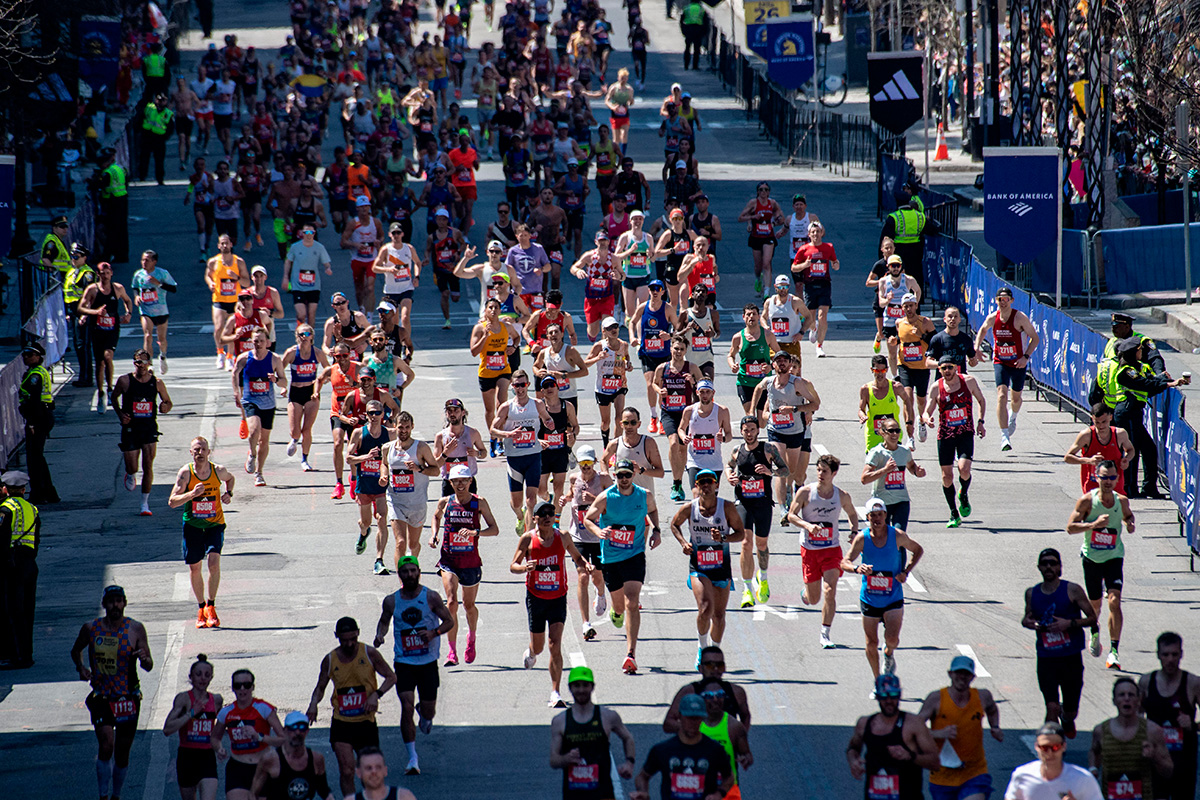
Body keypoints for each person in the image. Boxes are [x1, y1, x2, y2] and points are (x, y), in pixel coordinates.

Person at [373, 556, 455, 776]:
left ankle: (425, 713)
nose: (409, 574)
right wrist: (380, 635)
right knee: (406, 706)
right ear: (399, 575)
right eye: (405, 571)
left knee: (428, 711)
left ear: (419, 572)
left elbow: (449, 622)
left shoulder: (431, 597)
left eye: (413, 570)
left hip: (427, 662)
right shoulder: (392, 601)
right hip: (404, 662)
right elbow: (384, 620)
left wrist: (433, 633)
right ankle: (412, 758)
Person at [70, 585, 153, 800]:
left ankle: (116, 795)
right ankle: (103, 795)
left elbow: (149, 664)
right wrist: (81, 668)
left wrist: (144, 659)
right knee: (106, 744)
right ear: (104, 604)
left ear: (124, 603)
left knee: (122, 752)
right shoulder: (91, 628)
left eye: (119, 601)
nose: (115, 605)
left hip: (128, 697)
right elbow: (75, 650)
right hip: (102, 696)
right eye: (111, 601)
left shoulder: (135, 629)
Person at [583, 458, 662, 675]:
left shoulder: (644, 495)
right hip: (611, 557)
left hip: (634, 554)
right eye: (620, 475)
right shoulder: (606, 497)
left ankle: (631, 653)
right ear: (615, 476)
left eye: (628, 475)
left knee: (632, 601)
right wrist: (598, 532)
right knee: (619, 607)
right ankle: (615, 612)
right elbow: (588, 519)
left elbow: (653, 511)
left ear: (633, 475)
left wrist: (656, 530)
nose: (624, 479)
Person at [305, 617, 397, 797]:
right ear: (336, 636)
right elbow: (320, 687)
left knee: (370, 774)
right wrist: (313, 705)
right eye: (344, 640)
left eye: (352, 639)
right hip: (342, 722)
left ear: (358, 633)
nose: (349, 644)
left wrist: (376, 695)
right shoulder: (330, 660)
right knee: (346, 771)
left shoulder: (369, 654)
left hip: (366, 722)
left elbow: (391, 677)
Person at [511, 500, 589, 707]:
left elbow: (577, 557)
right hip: (536, 598)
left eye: (551, 513)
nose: (547, 517)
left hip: (557, 597)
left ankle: (556, 692)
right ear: (534, 518)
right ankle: (531, 651)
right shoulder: (527, 539)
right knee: (539, 647)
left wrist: (585, 565)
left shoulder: (562, 537)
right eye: (542, 514)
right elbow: (513, 565)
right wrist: (525, 568)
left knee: (555, 644)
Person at [1092, 337, 1189, 498]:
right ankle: (1129, 488)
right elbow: (1145, 385)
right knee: (1132, 450)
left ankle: (1149, 487)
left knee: (1149, 449)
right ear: (1132, 352)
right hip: (1126, 413)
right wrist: (1168, 384)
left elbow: (1151, 381)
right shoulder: (1125, 372)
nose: (1142, 352)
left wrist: (1170, 380)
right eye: (1139, 350)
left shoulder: (1138, 368)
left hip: (1135, 413)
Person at [669, 469, 746, 665]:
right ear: (696, 486)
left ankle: (714, 653)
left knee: (719, 615)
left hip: (721, 566)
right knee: (705, 608)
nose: (705, 485)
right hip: (699, 565)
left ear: (716, 485)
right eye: (701, 482)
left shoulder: (727, 508)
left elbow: (741, 534)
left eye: (709, 482)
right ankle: (702, 649)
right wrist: (683, 543)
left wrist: (724, 538)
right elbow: (674, 525)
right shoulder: (690, 508)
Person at [842, 498, 923, 681]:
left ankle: (888, 654)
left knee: (892, 640)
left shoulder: (897, 535)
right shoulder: (862, 539)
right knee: (871, 643)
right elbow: (844, 562)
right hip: (870, 598)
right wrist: (857, 568)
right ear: (868, 517)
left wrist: (906, 571)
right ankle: (878, 680)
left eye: (880, 515)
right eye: (873, 516)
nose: (877, 519)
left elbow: (917, 550)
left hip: (893, 597)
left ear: (886, 515)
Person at [1066, 459, 1136, 670]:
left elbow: (1128, 515)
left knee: (1114, 601)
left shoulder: (1121, 501)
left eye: (1112, 477)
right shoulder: (1087, 501)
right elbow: (1070, 527)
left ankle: (1114, 651)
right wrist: (1093, 525)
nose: (1108, 482)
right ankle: (1094, 631)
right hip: (1092, 558)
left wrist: (1130, 523)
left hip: (1114, 557)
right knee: (1095, 605)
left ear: (1117, 478)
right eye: (1104, 477)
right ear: (1096, 477)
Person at [1021, 547, 1098, 738]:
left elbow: (1092, 618)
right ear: (1039, 567)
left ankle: (1067, 717)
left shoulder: (1072, 590)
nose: (1049, 567)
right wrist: (1029, 623)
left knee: (1071, 711)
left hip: (1070, 658)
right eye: (1045, 563)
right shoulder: (1032, 593)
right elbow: (1027, 618)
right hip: (1046, 658)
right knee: (1051, 706)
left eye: (1053, 563)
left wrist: (1069, 624)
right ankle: (1054, 745)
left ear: (1060, 567)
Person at [429, 465, 500, 667]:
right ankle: (452, 652)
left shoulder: (479, 503)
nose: (460, 484)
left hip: (470, 562)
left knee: (468, 606)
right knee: (451, 602)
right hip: (449, 560)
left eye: (463, 480)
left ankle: (471, 638)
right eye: (455, 481)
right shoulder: (445, 502)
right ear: (450, 483)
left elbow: (494, 529)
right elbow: (436, 516)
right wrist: (434, 535)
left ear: (470, 481)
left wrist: (475, 534)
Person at [789, 454, 861, 648]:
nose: (820, 474)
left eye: (825, 471)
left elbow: (853, 514)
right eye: (818, 470)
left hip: (831, 550)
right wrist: (807, 526)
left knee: (830, 591)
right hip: (810, 550)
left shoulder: (842, 495)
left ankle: (825, 634)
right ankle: (806, 593)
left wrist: (854, 531)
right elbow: (791, 515)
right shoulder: (805, 493)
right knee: (814, 599)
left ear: (834, 473)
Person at [168, 436, 235, 629]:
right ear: (191, 453)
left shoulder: (218, 471)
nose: (199, 453)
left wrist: (228, 494)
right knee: (195, 568)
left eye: (203, 449)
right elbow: (172, 501)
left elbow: (231, 479)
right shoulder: (186, 473)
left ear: (208, 452)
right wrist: (191, 495)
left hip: (215, 524)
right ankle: (200, 608)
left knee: (214, 563)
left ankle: (211, 606)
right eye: (196, 450)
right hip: (193, 526)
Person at [918, 655, 1003, 800]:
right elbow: (914, 728)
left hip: (974, 772)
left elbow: (992, 709)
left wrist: (995, 726)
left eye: (967, 674)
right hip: (942, 775)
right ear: (950, 674)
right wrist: (938, 733)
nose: (962, 677)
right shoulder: (936, 698)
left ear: (973, 677)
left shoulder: (982, 696)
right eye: (958, 673)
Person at [749, 349, 819, 516]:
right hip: (776, 430)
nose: (781, 363)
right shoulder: (769, 381)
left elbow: (815, 404)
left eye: (785, 361)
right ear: (773, 365)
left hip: (795, 431)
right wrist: (752, 411)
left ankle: (789, 489)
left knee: (791, 469)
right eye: (778, 361)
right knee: (780, 466)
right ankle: (782, 508)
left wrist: (795, 409)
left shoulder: (797, 383)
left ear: (789, 365)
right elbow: (758, 389)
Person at [550, 665, 637, 799]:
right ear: (570, 688)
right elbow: (554, 760)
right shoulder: (560, 721)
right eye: (577, 685)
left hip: (603, 793)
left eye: (585, 685)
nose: (581, 690)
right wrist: (566, 759)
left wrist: (629, 763)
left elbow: (627, 738)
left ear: (592, 687)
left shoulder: (608, 717)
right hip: (573, 795)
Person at [847, 674, 940, 798]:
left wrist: (910, 756)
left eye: (894, 696)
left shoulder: (913, 724)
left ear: (900, 696)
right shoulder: (864, 724)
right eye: (884, 696)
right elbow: (853, 748)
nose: (889, 701)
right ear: (878, 697)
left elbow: (935, 762)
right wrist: (853, 761)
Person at [630, 694, 734, 800]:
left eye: (697, 718)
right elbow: (642, 776)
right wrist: (643, 792)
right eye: (689, 718)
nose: (693, 723)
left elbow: (729, 777)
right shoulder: (663, 750)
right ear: (680, 716)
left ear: (702, 719)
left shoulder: (715, 750)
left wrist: (719, 794)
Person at [973, 287, 1040, 452]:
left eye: (1005, 299)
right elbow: (982, 330)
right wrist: (976, 348)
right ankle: (1004, 437)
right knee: (1001, 395)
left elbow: (1035, 338)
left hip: (1017, 363)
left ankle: (1013, 417)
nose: (1003, 302)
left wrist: (1026, 357)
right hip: (1000, 362)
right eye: (999, 299)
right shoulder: (992, 318)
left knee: (1015, 399)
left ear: (1011, 300)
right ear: (996, 301)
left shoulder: (1019, 318)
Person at [924, 356, 988, 527]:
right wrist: (927, 418)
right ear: (939, 370)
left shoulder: (969, 381)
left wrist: (981, 422)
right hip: (945, 436)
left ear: (956, 368)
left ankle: (964, 493)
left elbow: (981, 400)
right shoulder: (936, 387)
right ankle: (953, 512)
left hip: (965, 432)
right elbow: (927, 410)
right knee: (947, 477)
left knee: (964, 469)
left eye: (950, 367)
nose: (947, 371)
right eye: (943, 368)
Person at [493, 368, 557, 533]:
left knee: (531, 499)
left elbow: (547, 418)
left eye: (523, 385)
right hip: (514, 458)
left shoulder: (537, 404)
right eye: (517, 385)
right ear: (512, 387)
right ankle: (520, 517)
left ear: (527, 385)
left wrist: (550, 423)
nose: (520, 389)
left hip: (533, 456)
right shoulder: (507, 407)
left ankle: (531, 532)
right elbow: (493, 430)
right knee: (516, 503)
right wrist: (508, 434)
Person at [1089, 678, 1175, 800]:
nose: (1126, 699)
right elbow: (1094, 751)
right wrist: (1093, 768)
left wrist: (1155, 757)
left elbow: (1168, 771)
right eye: (1121, 695)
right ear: (1114, 700)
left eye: (1131, 695)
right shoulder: (1101, 730)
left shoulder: (1152, 731)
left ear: (1138, 700)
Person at [1138, 631, 1199, 800]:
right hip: (1155, 758)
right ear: (1158, 655)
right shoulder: (1146, 682)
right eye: (1166, 654)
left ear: (1182, 654)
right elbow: (1134, 718)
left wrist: (1193, 725)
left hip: (1184, 759)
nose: (1170, 659)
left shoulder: (1193, 683)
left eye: (1175, 654)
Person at [113, 349, 173, 515]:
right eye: (138, 362)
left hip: (149, 427)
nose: (141, 365)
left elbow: (168, 402)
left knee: (148, 465)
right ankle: (130, 474)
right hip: (130, 428)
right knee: (132, 466)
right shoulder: (125, 381)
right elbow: (114, 397)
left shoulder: (157, 382)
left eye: (145, 362)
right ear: (134, 363)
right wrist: (120, 414)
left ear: (149, 364)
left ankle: (144, 504)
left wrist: (164, 407)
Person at [210, 669, 286, 800]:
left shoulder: (264, 708)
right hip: (238, 767)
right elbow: (215, 737)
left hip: (262, 767)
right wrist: (219, 749)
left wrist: (260, 737)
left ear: (253, 687)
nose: (242, 689)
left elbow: (283, 739)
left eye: (247, 685)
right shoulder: (226, 712)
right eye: (238, 685)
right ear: (233, 688)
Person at [563, 445, 613, 642]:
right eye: (582, 464)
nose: (585, 468)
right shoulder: (574, 479)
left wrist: (593, 499)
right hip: (579, 536)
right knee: (583, 575)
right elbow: (570, 494)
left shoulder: (604, 480)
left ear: (594, 463)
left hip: (598, 535)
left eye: (588, 464)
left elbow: (614, 505)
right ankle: (586, 623)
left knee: (597, 576)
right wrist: (564, 499)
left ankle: (600, 593)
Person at [382, 411, 440, 566]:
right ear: (395, 426)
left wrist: (419, 468)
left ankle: (413, 563)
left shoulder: (421, 447)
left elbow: (436, 470)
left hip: (417, 503)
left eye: (407, 427)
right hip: (396, 501)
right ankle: (403, 580)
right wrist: (383, 476)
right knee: (400, 542)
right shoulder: (387, 448)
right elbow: (385, 464)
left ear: (412, 427)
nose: (404, 431)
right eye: (401, 427)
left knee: (413, 545)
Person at [161, 654, 223, 800]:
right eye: (198, 674)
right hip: (187, 757)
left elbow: (218, 730)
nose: (203, 678)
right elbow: (167, 729)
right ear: (191, 677)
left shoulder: (217, 700)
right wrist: (192, 713)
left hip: (207, 757)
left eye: (207, 675)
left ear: (211, 678)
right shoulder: (183, 699)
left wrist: (219, 747)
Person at [232, 329, 286, 487]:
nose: (258, 344)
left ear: (268, 342)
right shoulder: (244, 358)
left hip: (268, 403)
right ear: (251, 341)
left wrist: (276, 380)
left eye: (262, 341)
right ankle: (252, 453)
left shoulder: (274, 359)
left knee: (264, 440)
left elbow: (284, 381)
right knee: (254, 430)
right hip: (250, 400)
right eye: (255, 341)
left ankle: (259, 473)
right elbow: (235, 373)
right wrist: (236, 392)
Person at [78, 261, 134, 412]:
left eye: (108, 273)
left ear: (111, 274)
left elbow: (128, 301)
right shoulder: (92, 290)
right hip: (97, 329)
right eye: (102, 273)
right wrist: (92, 313)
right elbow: (81, 307)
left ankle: (110, 389)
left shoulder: (118, 288)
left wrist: (128, 314)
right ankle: (101, 393)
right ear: (98, 274)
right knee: (99, 362)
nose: (105, 276)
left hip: (112, 329)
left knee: (108, 357)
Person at [347, 400, 395, 570]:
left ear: (383, 414)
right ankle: (363, 533)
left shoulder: (390, 434)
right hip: (364, 485)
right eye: (370, 413)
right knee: (366, 522)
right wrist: (366, 457)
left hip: (382, 486)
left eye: (377, 413)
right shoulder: (359, 433)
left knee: (382, 520)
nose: (373, 416)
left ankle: (379, 560)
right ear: (365, 415)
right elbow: (349, 458)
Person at [663, 645, 752, 733]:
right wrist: (694, 731)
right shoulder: (689, 692)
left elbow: (746, 716)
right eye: (710, 665)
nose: (715, 669)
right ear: (701, 668)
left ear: (724, 668)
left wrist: (739, 737)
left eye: (719, 665)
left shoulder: (737, 692)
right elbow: (668, 723)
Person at [471, 297, 520, 456]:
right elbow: (473, 352)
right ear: (485, 310)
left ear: (500, 311)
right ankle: (493, 437)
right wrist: (485, 337)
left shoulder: (506, 326)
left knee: (501, 402)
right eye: (490, 307)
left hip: (503, 370)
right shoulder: (479, 328)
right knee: (490, 409)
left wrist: (513, 347)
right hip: (486, 373)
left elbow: (517, 337)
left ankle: (501, 439)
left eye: (496, 308)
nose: (493, 310)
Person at [249, 710, 336, 800]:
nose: (297, 732)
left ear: (307, 731)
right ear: (285, 731)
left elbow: (324, 790)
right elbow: (254, 794)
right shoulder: (271, 760)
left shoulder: (316, 759)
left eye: (302, 728)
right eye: (293, 728)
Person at [1004, 722, 1103, 800]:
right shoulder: (1022, 775)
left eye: (1055, 747)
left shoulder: (1083, 779)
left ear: (1064, 746)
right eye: (1044, 748)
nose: (1050, 753)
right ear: (1036, 747)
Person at [0, 471, 39, 669]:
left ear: (5, 489)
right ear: (23, 489)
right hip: (29, 564)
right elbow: (36, 540)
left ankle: (15, 657)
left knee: (12, 611)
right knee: (27, 611)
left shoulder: (5, 509)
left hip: (12, 564)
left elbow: (3, 539)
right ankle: (27, 654)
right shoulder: (33, 509)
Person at [862, 416, 926, 533]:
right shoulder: (876, 453)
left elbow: (911, 466)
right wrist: (885, 470)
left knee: (899, 535)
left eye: (897, 431)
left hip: (901, 501)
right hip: (882, 503)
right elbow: (864, 478)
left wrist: (918, 472)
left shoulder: (904, 451)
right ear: (882, 432)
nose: (894, 434)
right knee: (883, 537)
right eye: (891, 431)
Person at [631, 279, 679, 431]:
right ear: (649, 291)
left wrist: (670, 336)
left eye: (658, 289)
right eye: (652, 288)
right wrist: (632, 337)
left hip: (664, 354)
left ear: (663, 292)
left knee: (662, 386)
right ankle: (653, 417)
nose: (655, 291)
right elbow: (632, 322)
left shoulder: (668, 309)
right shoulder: (643, 307)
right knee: (650, 384)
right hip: (647, 353)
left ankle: (664, 417)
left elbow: (679, 330)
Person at [281, 324, 328, 471]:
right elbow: (279, 371)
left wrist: (319, 384)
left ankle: (304, 459)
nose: (304, 337)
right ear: (297, 336)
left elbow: (328, 372)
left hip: (311, 393)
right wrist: (282, 386)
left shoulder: (318, 353)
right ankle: (294, 439)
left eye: (307, 334)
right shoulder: (291, 353)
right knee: (295, 430)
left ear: (312, 336)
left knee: (307, 430)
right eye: (301, 334)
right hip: (295, 392)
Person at [17, 342, 58, 504]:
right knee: (37, 457)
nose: (25, 358)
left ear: (38, 357)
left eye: (29, 355)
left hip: (38, 417)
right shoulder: (34, 372)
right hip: (41, 416)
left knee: (34, 459)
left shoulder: (36, 375)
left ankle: (39, 494)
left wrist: (32, 423)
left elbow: (34, 401)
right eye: (24, 355)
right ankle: (47, 492)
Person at [1063, 403, 1134, 496]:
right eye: (1097, 422)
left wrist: (1127, 459)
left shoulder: (1119, 434)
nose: (1101, 426)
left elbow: (1130, 450)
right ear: (1092, 419)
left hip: (1115, 487)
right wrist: (1089, 460)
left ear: (1110, 418)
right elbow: (1067, 457)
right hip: (1092, 488)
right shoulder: (1086, 435)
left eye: (1104, 422)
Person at [791, 221, 839, 356]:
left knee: (822, 315)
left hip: (824, 284)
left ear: (821, 233)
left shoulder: (828, 247)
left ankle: (820, 345)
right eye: (813, 232)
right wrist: (804, 265)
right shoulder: (804, 249)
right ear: (809, 234)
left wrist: (836, 265)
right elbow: (793, 267)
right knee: (811, 318)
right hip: (810, 285)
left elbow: (835, 262)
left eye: (818, 231)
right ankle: (814, 328)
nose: (816, 234)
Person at [584, 316, 633, 447]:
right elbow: (584, 364)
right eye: (610, 328)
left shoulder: (624, 345)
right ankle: (606, 445)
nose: (614, 330)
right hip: (603, 388)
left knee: (619, 419)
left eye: (615, 326)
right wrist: (597, 358)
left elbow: (626, 357)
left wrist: (628, 363)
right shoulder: (599, 346)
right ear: (604, 331)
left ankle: (616, 447)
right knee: (606, 422)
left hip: (619, 385)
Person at [206, 233, 251, 369]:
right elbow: (208, 276)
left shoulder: (239, 262)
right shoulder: (213, 262)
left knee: (232, 330)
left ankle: (230, 357)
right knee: (219, 327)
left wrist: (236, 277)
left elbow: (247, 282)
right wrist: (210, 284)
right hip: (219, 299)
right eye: (222, 243)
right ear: (219, 246)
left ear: (231, 244)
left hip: (235, 301)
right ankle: (220, 353)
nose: (225, 245)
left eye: (227, 243)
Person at [680, 378, 733, 492]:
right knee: (696, 492)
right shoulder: (689, 411)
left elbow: (729, 435)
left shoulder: (722, 411)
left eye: (708, 392)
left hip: (714, 463)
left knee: (711, 497)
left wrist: (723, 438)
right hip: (694, 461)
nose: (705, 395)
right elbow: (681, 429)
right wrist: (684, 437)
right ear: (697, 392)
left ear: (713, 393)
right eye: (702, 392)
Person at [130, 249, 178, 372]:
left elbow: (173, 289)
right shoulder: (138, 274)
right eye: (142, 260)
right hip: (146, 310)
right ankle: (148, 363)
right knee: (147, 336)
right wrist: (136, 296)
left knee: (161, 339)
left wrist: (159, 284)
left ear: (154, 262)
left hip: (161, 311)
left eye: (147, 260)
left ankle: (162, 356)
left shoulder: (162, 273)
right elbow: (135, 287)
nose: (144, 263)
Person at [880, 199, 939, 296]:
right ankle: (916, 303)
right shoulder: (920, 216)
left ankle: (899, 299)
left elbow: (885, 237)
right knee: (916, 277)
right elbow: (931, 229)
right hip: (916, 252)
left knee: (898, 276)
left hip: (899, 251)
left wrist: (883, 256)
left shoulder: (894, 217)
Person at [860, 354, 915, 455]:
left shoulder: (895, 387)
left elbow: (907, 401)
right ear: (872, 370)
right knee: (874, 469)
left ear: (887, 369)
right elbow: (861, 409)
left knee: (894, 468)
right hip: (874, 435)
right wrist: (863, 416)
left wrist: (909, 422)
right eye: (877, 370)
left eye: (883, 370)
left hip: (893, 434)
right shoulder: (866, 389)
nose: (880, 374)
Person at [737, 181, 784, 296]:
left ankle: (767, 292)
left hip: (768, 236)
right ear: (758, 192)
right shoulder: (753, 203)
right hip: (756, 236)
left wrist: (775, 223)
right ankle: (758, 278)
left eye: (766, 189)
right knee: (758, 265)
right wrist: (753, 217)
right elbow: (741, 217)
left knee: (766, 263)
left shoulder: (772, 203)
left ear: (769, 192)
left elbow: (781, 218)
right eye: (761, 189)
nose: (764, 192)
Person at [727, 304, 776, 413]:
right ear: (743, 317)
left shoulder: (768, 335)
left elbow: (780, 356)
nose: (751, 317)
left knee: (762, 419)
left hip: (763, 381)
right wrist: (732, 365)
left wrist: (771, 367)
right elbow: (731, 355)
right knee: (750, 414)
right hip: (745, 382)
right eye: (748, 314)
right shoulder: (738, 337)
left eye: (754, 314)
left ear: (758, 316)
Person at [284, 224, 334, 329]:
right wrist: (285, 278)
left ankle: (310, 339)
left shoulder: (319, 247)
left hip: (313, 285)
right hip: (298, 285)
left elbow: (326, 262)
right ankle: (301, 333)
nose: (309, 235)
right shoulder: (295, 247)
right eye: (306, 232)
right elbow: (288, 261)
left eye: (311, 232)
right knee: (301, 314)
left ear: (314, 233)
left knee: (311, 314)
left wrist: (327, 268)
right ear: (302, 233)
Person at [762, 274, 809, 364]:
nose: (783, 289)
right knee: (776, 370)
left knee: (794, 372)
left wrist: (802, 332)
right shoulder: (769, 302)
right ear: (775, 286)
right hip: (775, 343)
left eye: (785, 286)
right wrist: (766, 327)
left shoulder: (795, 301)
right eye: (780, 286)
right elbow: (763, 317)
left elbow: (809, 317)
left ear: (789, 287)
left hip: (792, 343)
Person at [927, 305, 978, 373]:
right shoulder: (937, 339)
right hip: (943, 379)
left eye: (955, 316)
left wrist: (974, 360)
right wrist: (943, 364)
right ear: (945, 319)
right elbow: (928, 363)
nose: (953, 319)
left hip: (960, 378)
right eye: (950, 316)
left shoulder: (966, 339)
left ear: (959, 319)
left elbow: (972, 363)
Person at [352, 747, 417, 800]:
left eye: (378, 767)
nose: (374, 772)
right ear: (358, 773)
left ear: (385, 770)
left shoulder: (403, 797)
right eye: (368, 768)